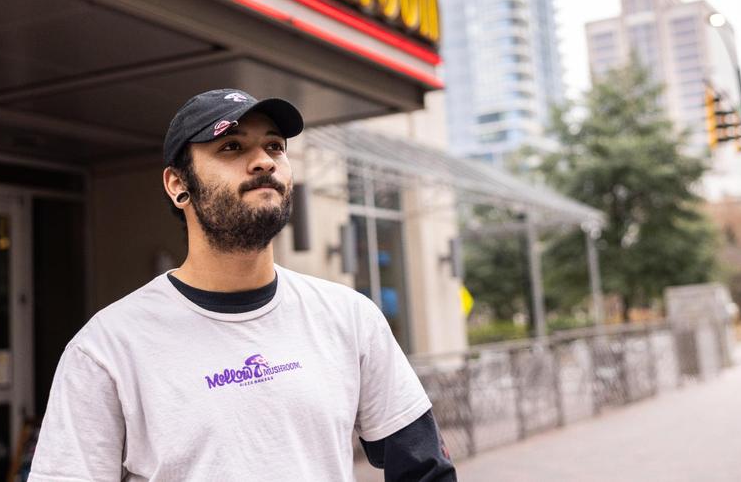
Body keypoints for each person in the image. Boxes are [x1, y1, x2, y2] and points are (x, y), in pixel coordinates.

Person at [29, 88, 456, 481]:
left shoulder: (350, 317)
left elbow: (425, 470)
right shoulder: (106, 349)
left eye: (274, 146)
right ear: (178, 185)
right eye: (231, 146)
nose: (264, 161)